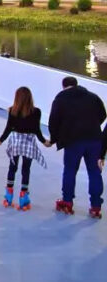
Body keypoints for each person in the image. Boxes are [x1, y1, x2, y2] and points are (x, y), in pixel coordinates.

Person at [48, 76, 106, 217]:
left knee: (70, 170)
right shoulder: (92, 97)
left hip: (72, 140)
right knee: (94, 172)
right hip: (94, 139)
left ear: (64, 86)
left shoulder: (61, 99)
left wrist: (55, 138)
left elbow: (53, 120)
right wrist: (92, 125)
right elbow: (103, 114)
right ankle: (96, 206)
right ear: (76, 84)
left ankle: (67, 202)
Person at [0, 86, 49, 210]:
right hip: (29, 141)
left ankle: (8, 196)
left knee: (12, 167)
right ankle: (23, 197)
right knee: (26, 169)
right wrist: (44, 141)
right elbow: (36, 129)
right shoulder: (36, 112)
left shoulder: (12, 110)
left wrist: (1, 139)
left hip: (15, 140)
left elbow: (9, 127)